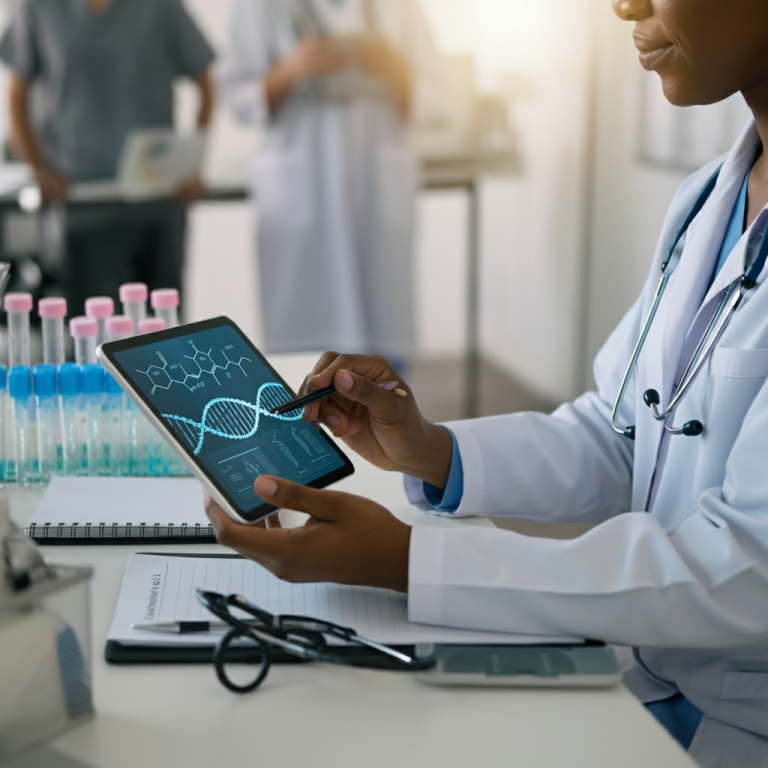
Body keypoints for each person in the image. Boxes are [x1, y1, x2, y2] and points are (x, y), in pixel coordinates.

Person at [205, 0, 768, 763]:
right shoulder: (708, 197)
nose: (624, 6)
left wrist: (407, 562)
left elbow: (744, 569)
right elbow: (619, 432)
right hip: (649, 681)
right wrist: (434, 450)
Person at [220, 0, 445, 366]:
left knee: (383, 332)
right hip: (303, 179)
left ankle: (390, 415)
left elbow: (438, 93)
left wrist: (397, 70)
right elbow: (238, 97)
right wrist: (288, 71)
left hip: (376, 176)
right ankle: (304, 413)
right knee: (304, 338)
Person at [0, 0, 215, 316]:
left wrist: (191, 164)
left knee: (167, 330)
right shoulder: (40, 9)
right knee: (93, 334)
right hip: (81, 207)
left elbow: (206, 85)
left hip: (156, 204)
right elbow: (17, 94)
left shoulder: (160, 8)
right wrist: (38, 169)